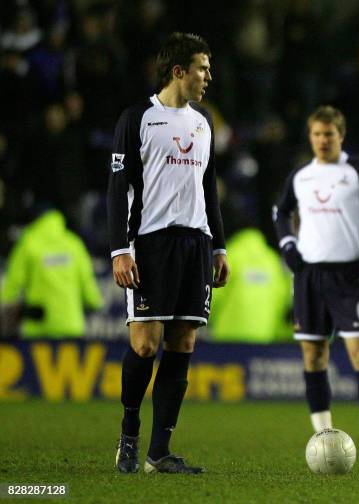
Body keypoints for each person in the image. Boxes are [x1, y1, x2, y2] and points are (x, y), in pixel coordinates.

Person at [107, 32, 229, 475]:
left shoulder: (204, 122)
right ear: (179, 71)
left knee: (184, 341)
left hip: (195, 243)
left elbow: (209, 188)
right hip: (150, 243)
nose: (208, 76)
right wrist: (121, 250)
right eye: (202, 68)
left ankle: (160, 452)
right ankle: (129, 433)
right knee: (144, 345)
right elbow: (117, 189)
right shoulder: (137, 117)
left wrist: (219, 244)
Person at [273, 105, 359, 455]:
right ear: (310, 136)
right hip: (309, 277)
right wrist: (289, 246)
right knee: (313, 355)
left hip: (349, 276)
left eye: (328, 134)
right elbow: (280, 212)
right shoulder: (301, 177)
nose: (322, 140)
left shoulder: (358, 172)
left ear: (341, 136)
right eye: (316, 134)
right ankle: (322, 433)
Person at [0, 207, 103, 338]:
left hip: (38, 327)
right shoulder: (74, 244)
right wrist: (95, 302)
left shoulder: (28, 242)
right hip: (70, 325)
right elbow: (87, 281)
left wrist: (7, 303)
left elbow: (13, 282)